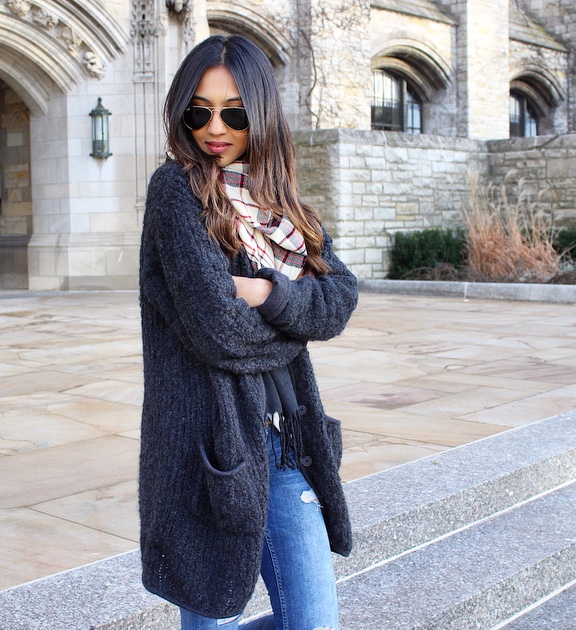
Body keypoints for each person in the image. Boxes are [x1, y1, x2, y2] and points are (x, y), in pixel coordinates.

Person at [138, 34, 358, 630]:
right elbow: (219, 330)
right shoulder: (176, 191)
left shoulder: (279, 204)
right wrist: (296, 319)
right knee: (214, 615)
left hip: (285, 441)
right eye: (199, 112)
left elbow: (339, 298)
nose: (215, 128)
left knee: (313, 622)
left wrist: (263, 293)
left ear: (260, 113)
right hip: (208, 446)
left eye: (233, 113)